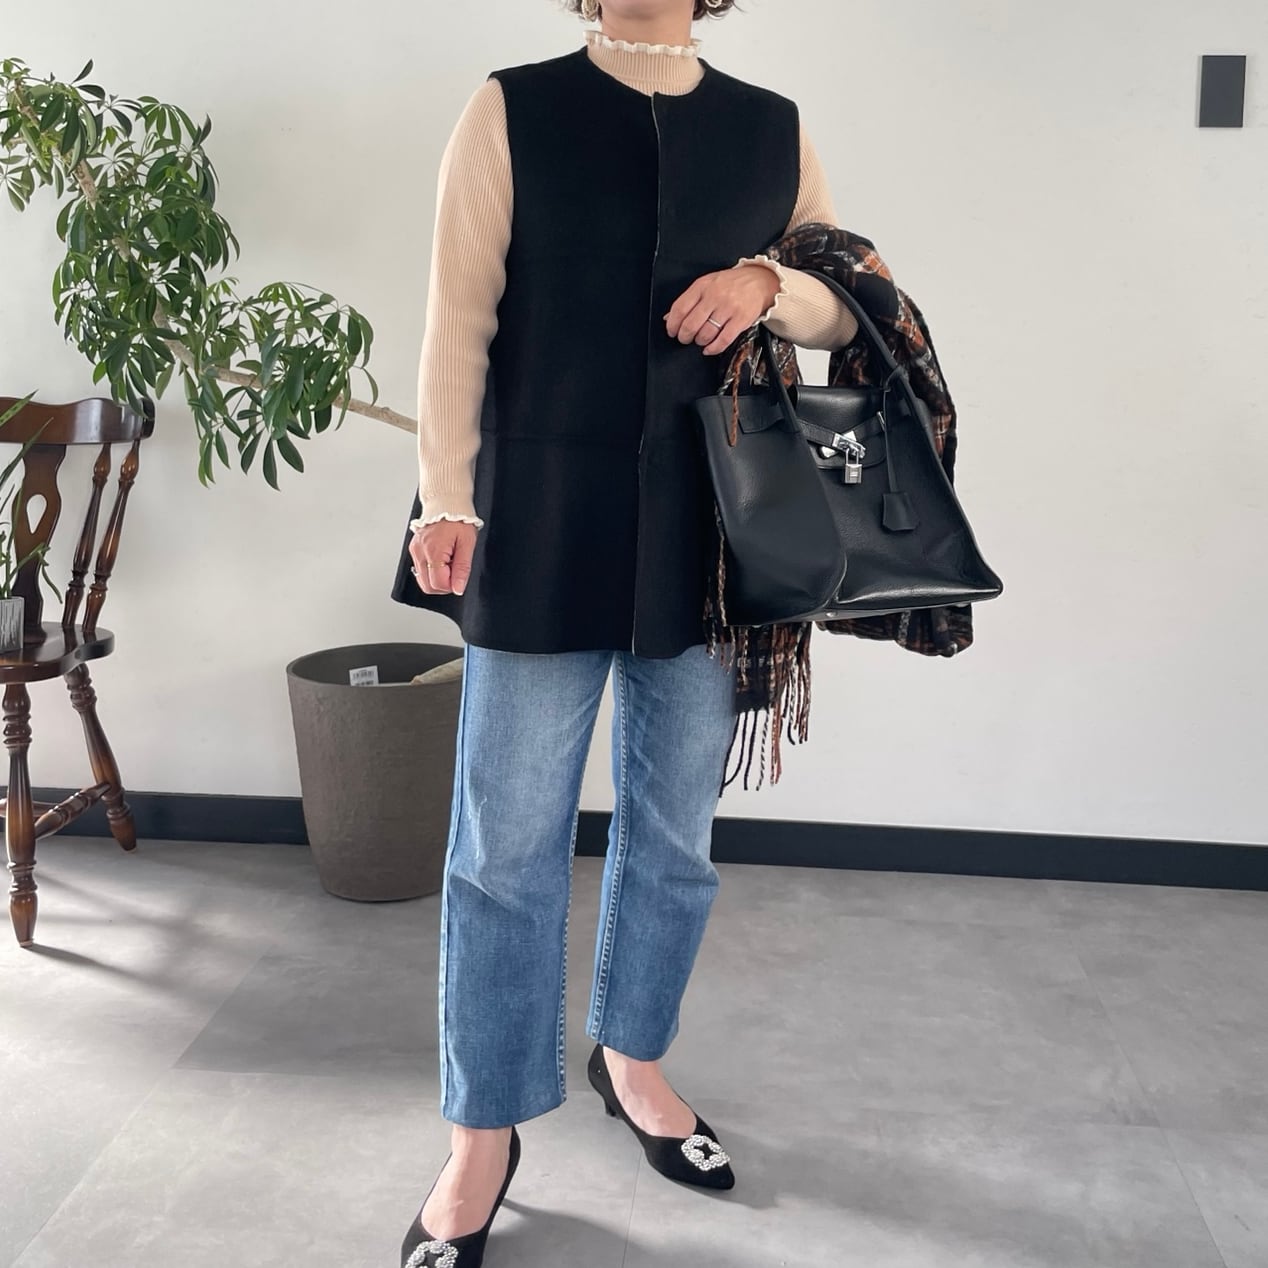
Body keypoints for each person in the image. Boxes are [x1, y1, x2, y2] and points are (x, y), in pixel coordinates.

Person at [392, 2, 858, 1264]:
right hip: (536, 514)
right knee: (502, 848)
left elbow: (844, 301)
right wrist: (445, 495)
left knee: (674, 835)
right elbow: (457, 314)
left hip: (710, 532)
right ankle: (481, 1132)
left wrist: (768, 284)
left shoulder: (770, 128)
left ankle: (632, 1057)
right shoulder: (512, 106)